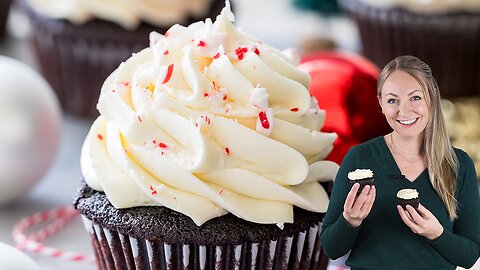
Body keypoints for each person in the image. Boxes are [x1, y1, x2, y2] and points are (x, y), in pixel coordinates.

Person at [320, 55, 480, 270]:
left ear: (431, 98)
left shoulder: (459, 163)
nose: (403, 111)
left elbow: (470, 256)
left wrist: (437, 234)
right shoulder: (359, 158)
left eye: (415, 98)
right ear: (381, 104)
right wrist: (350, 221)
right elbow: (331, 248)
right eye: (392, 100)